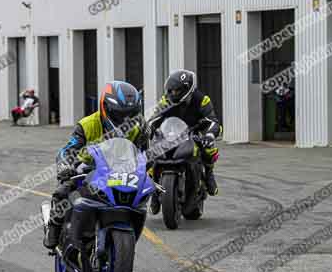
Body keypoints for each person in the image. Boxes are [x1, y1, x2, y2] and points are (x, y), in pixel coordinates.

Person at [44, 81, 149, 250]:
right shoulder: (87, 124)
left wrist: (149, 172)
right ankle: (53, 226)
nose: (125, 119)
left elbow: (145, 154)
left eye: (130, 114)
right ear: (105, 107)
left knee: (143, 196)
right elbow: (67, 151)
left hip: (122, 173)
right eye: (119, 114)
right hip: (89, 170)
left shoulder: (140, 127)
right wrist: (65, 166)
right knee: (63, 191)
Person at [148, 69, 222, 214]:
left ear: (187, 89)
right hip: (171, 134)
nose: (173, 94)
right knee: (153, 152)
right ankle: (154, 193)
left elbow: (213, 121)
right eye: (171, 91)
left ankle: (208, 173)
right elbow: (155, 118)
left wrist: (209, 134)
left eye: (176, 91)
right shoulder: (166, 100)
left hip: (194, 132)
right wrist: (149, 128)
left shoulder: (202, 99)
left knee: (208, 146)